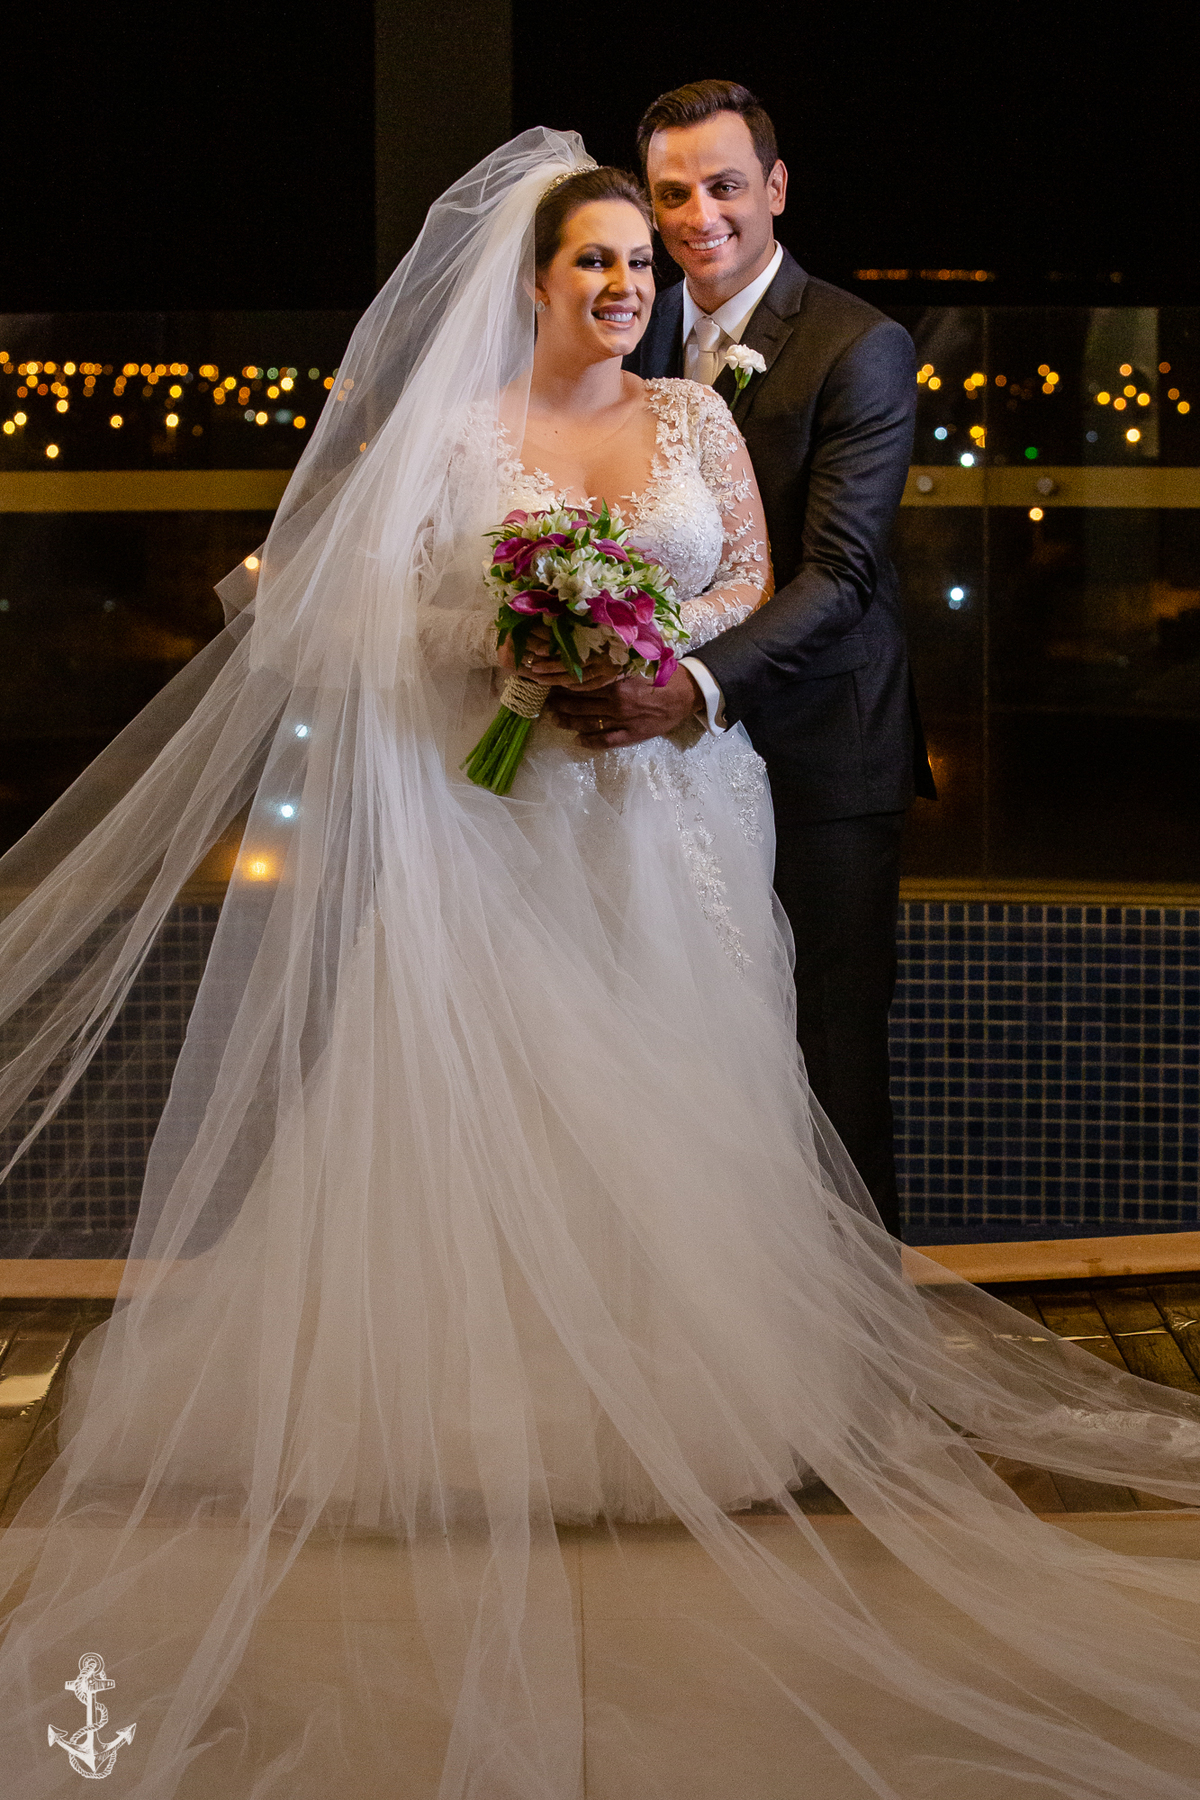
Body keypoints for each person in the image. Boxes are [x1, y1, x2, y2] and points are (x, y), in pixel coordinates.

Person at [2, 130, 1200, 1800]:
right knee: (510, 1093)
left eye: (645, 262)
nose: (632, 283)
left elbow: (755, 573)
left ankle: (707, 1408)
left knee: (692, 1084)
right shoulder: (463, 432)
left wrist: (648, 652)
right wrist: (520, 646)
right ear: (538, 280)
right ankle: (483, 1414)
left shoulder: (697, 415)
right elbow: (369, 613)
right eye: (600, 261)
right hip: (504, 814)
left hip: (676, 802)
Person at [561, 79, 937, 1235]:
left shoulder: (858, 345)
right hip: (657, 775)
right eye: (671, 194)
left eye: (724, 186)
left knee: (826, 1060)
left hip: (823, 754)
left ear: (774, 187)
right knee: (681, 1055)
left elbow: (843, 573)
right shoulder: (628, 324)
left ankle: (856, 1338)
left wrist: (689, 686)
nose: (698, 216)